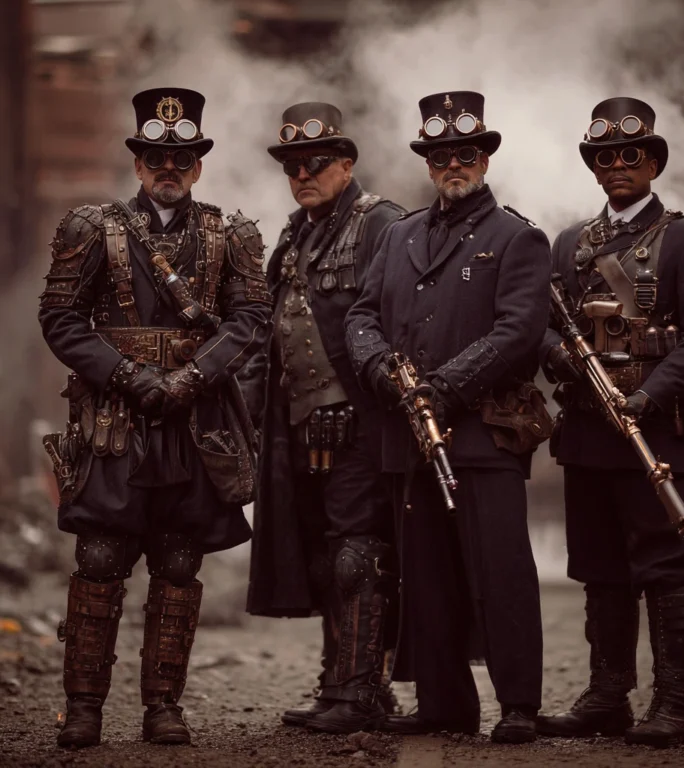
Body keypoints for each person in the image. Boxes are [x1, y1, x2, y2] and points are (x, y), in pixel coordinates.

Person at [39, 87, 272, 748]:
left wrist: (195, 375)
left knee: (177, 560)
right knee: (101, 554)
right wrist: (129, 375)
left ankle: (163, 707)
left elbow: (252, 319)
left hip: (195, 421)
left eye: (183, 158)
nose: (168, 168)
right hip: (115, 416)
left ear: (198, 165)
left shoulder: (234, 235)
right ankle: (83, 706)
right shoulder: (89, 228)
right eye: (154, 157)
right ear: (138, 163)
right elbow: (60, 319)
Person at [345, 91, 551, 743]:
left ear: (484, 158)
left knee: (501, 572)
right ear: (428, 163)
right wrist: (381, 370)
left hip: (484, 434)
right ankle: (444, 705)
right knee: (426, 573)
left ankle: (518, 705)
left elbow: (520, 331)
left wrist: (445, 387)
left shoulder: (518, 236)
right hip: (410, 434)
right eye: (439, 155)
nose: (451, 164)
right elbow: (360, 316)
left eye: (464, 153)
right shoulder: (401, 233)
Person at [536, 97, 684, 747]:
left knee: (669, 568)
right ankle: (607, 697)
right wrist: (563, 357)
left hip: (660, 431)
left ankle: (675, 705)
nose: (617, 166)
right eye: (605, 157)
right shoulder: (569, 244)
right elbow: (544, 326)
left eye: (631, 155)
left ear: (652, 163)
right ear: (592, 167)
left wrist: (648, 397)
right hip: (590, 432)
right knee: (598, 568)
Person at [245, 102, 405, 734]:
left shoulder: (383, 224)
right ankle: (337, 681)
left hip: (363, 426)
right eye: (291, 166)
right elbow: (267, 334)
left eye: (314, 163)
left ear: (346, 163)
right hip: (298, 426)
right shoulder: (292, 236)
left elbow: (393, 326)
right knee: (320, 554)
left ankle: (364, 690)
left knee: (357, 554)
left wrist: (360, 404)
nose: (302, 174)